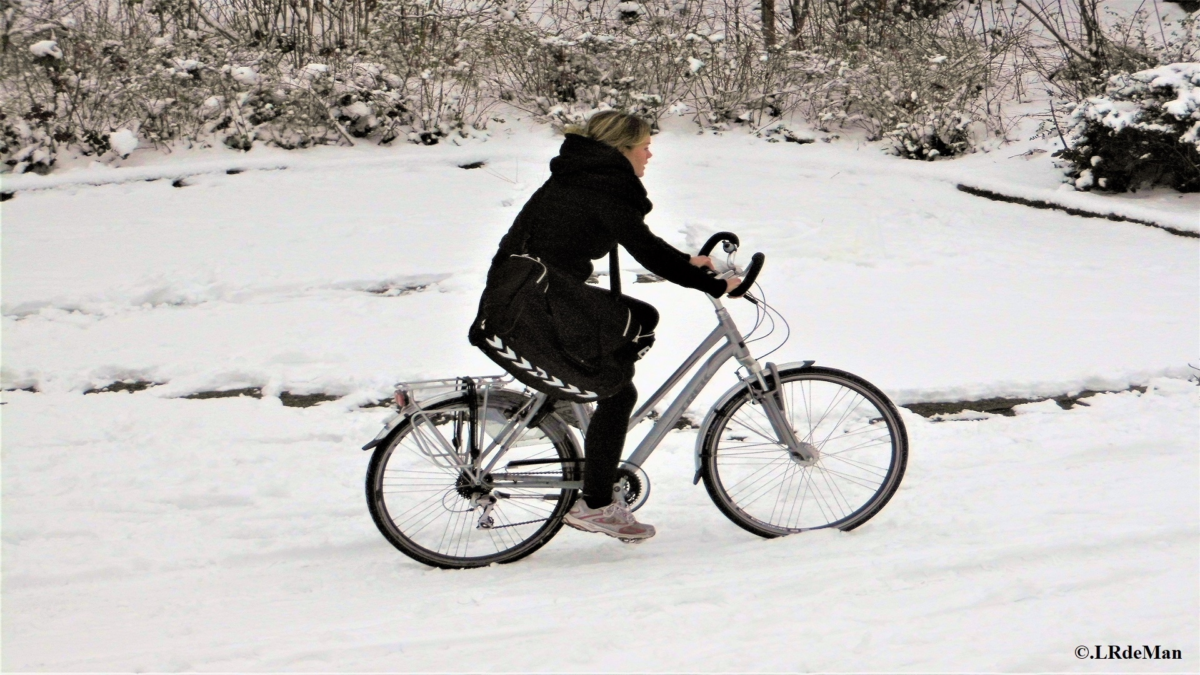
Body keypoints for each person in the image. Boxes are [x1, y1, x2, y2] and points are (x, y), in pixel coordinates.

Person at [482, 111, 741, 542]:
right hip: (532, 301)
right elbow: (645, 249)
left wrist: (688, 264)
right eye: (644, 146)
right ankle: (598, 504)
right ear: (621, 150)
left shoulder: (585, 176)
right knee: (619, 391)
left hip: (529, 293)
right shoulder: (600, 184)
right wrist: (710, 281)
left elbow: (639, 240)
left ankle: (584, 408)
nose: (650, 154)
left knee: (631, 336)